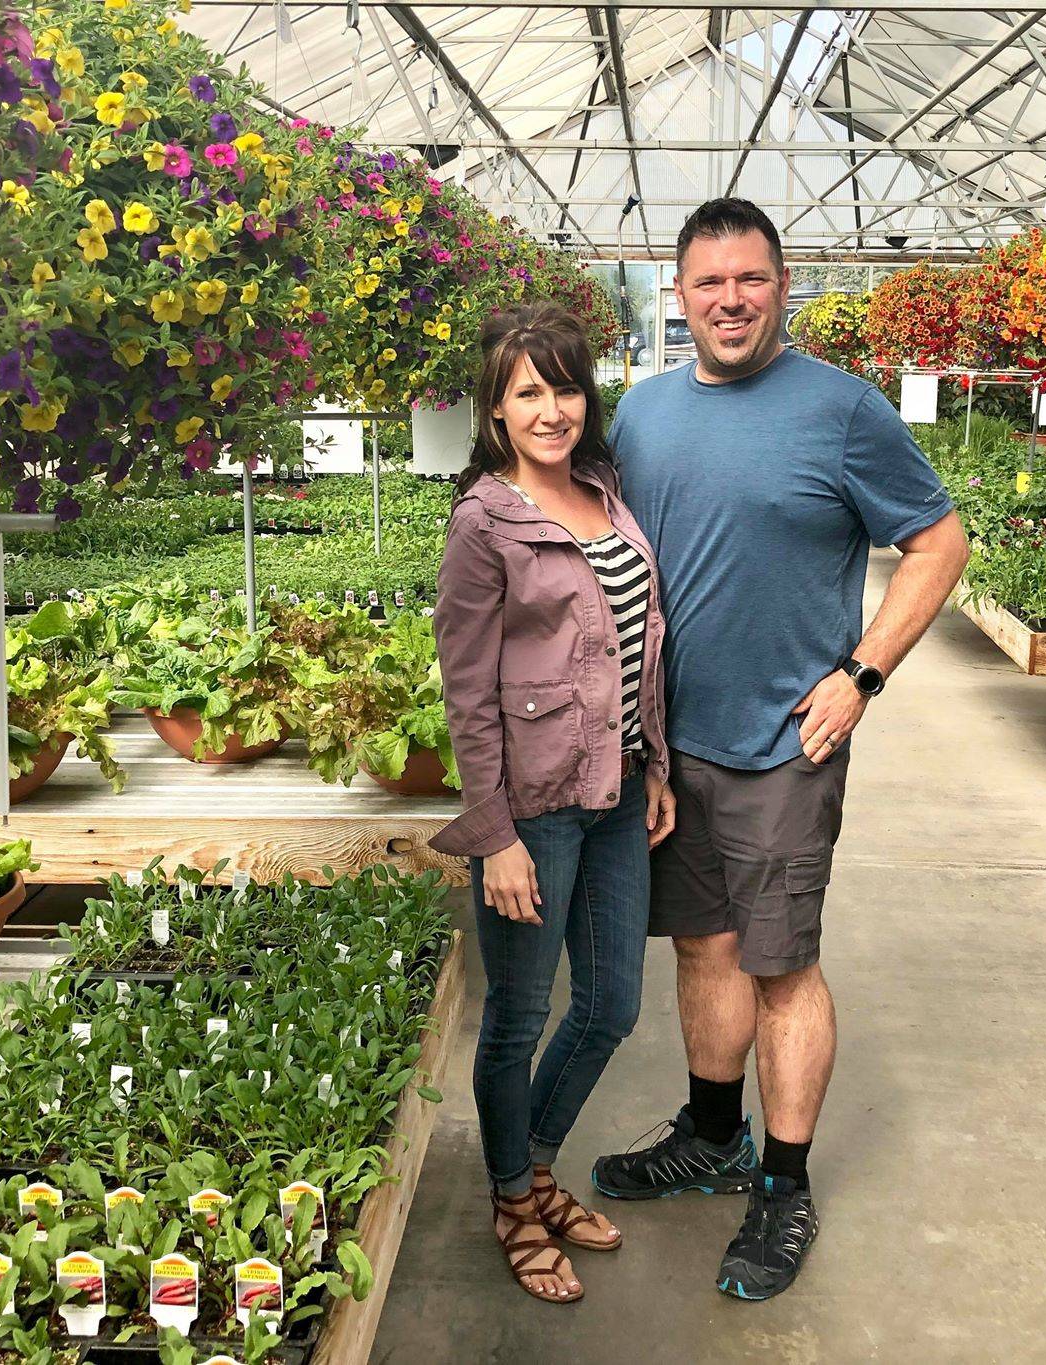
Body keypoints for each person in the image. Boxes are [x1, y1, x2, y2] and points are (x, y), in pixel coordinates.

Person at [591, 199, 970, 1301]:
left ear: (782, 283)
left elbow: (937, 543)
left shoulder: (842, 411)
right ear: (677, 292)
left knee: (779, 965)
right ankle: (710, 1138)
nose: (729, 299)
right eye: (707, 282)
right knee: (700, 948)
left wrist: (860, 676)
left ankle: (781, 1183)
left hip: (780, 748)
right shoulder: (644, 413)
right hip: (669, 748)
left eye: (749, 279)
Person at [430, 303, 678, 1304]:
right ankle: (510, 1202)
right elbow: (466, 688)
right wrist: (495, 839)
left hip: (615, 791)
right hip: (533, 808)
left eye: (563, 385)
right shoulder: (483, 522)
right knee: (520, 1015)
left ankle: (531, 1173)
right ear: (494, 408)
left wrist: (653, 762)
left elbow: (638, 644)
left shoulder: (604, 496)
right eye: (526, 390)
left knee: (611, 1004)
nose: (550, 408)